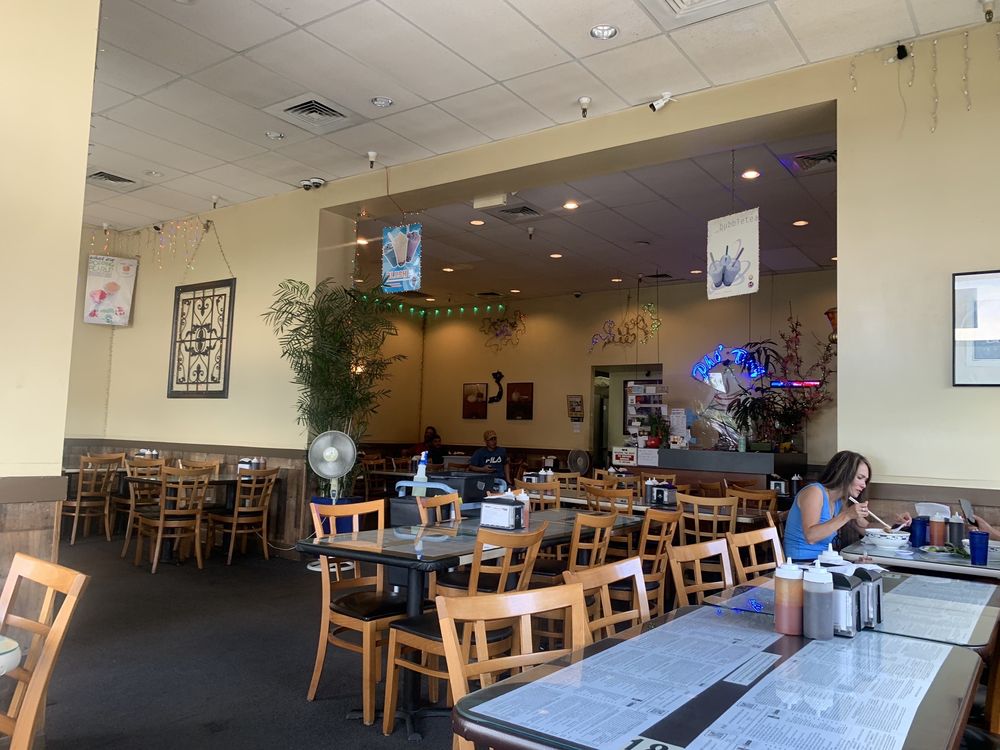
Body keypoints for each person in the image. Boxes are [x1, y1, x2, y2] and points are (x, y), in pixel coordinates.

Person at [783, 450, 874, 562]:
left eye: (866, 480)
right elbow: (811, 536)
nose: (864, 485)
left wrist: (894, 523)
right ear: (843, 472)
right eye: (860, 478)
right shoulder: (815, 492)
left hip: (823, 562)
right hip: (800, 564)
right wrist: (847, 515)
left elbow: (866, 528)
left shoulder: (839, 501)